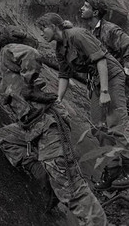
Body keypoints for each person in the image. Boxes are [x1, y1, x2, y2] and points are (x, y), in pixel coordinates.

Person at [0, 26, 107, 225]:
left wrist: (28, 86)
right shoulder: (5, 66)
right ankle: (43, 174)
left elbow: (31, 53)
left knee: (73, 193)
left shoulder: (7, 51)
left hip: (48, 125)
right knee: (4, 137)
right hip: (31, 129)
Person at [36, 12, 129, 191]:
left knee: (116, 121)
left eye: (43, 29)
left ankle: (127, 168)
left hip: (111, 75)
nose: (41, 33)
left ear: (54, 27)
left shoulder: (77, 35)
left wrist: (104, 91)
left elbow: (101, 59)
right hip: (96, 79)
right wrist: (59, 99)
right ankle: (113, 168)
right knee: (98, 126)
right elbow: (64, 74)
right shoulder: (60, 48)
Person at [81, 0, 129, 74]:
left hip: (117, 78)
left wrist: (127, 68)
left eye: (86, 6)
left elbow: (127, 43)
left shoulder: (110, 30)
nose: (82, 8)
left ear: (95, 12)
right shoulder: (89, 31)